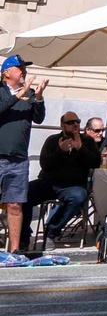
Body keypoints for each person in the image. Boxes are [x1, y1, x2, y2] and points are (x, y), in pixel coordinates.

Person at [19, 110, 101, 251]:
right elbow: (44, 164)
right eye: (70, 122)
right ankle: (23, 237)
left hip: (73, 185)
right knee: (23, 194)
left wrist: (80, 149)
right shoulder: (52, 140)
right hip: (49, 182)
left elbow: (96, 163)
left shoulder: (87, 141)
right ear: (62, 125)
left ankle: (52, 231)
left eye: (77, 121)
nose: (75, 124)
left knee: (78, 197)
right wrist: (60, 151)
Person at [0, 56, 48, 253]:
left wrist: (38, 97)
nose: (24, 71)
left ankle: (14, 249)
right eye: (19, 68)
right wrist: (18, 96)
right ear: (7, 72)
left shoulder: (27, 94)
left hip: (18, 159)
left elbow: (38, 118)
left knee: (15, 205)